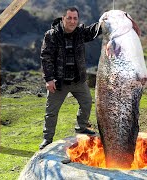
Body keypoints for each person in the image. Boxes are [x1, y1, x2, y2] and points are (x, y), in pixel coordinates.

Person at [39, 6, 102, 150]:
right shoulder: (52, 35)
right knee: (51, 112)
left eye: (75, 18)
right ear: (63, 19)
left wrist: (107, 20)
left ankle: (81, 128)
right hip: (58, 82)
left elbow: (94, 31)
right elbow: (46, 57)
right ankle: (47, 139)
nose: (72, 21)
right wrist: (49, 79)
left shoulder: (80, 32)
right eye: (69, 18)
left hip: (78, 80)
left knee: (86, 103)